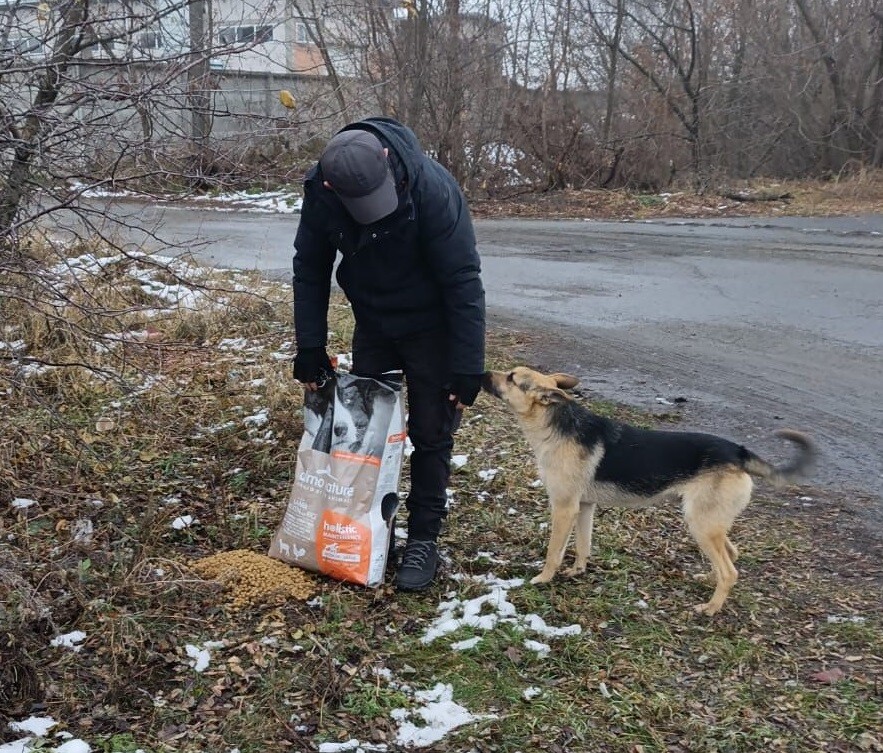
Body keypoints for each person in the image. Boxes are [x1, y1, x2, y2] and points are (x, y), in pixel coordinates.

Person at [291, 116, 486, 592]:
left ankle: (423, 539)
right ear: (332, 185)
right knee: (366, 433)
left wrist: (467, 365)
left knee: (431, 432)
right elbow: (310, 267)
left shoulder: (432, 190)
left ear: (386, 161)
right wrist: (311, 346)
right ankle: (373, 529)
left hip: (432, 325)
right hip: (374, 321)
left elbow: (463, 280)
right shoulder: (322, 191)